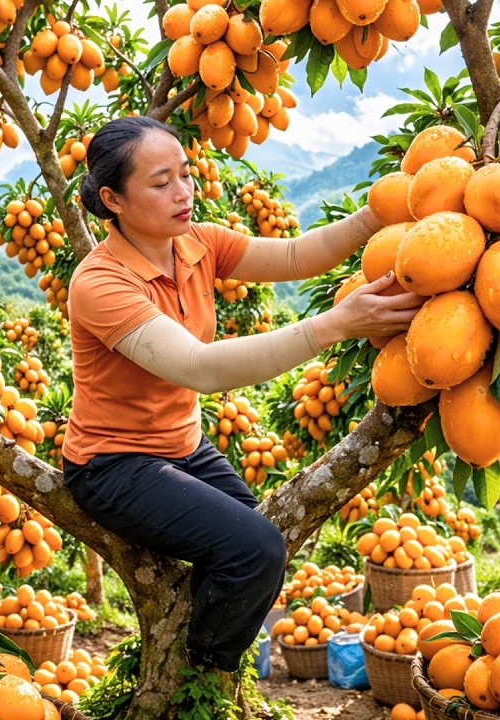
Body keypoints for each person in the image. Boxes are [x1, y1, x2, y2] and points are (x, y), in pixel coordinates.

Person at [62, 116, 423, 672]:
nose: (184, 192)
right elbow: (199, 368)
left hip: (182, 446)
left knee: (252, 544)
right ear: (112, 198)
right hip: (112, 463)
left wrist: (382, 210)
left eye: (184, 174)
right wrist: (335, 325)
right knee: (255, 549)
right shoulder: (100, 283)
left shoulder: (197, 242)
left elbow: (300, 256)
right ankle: (203, 670)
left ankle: (185, 641)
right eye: (161, 183)